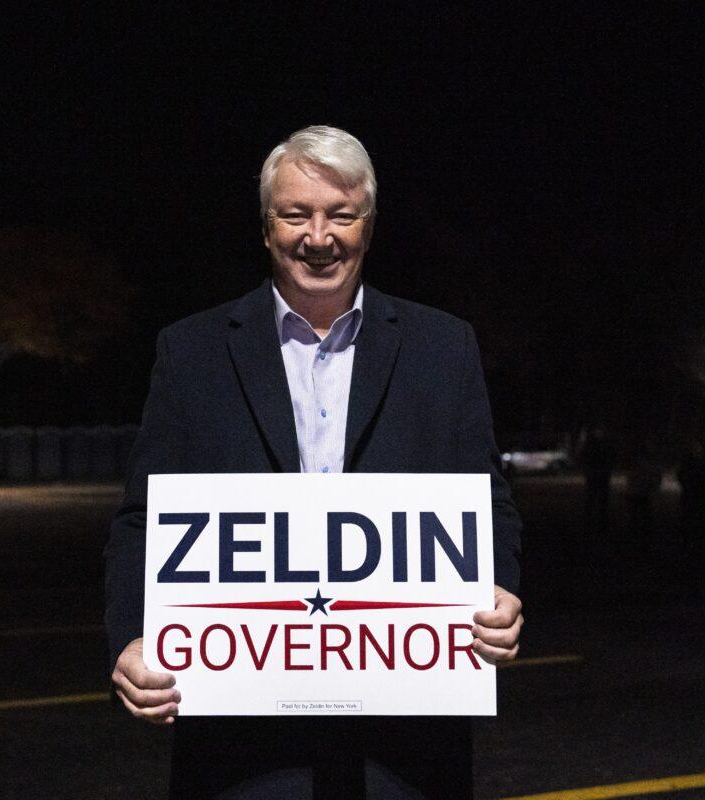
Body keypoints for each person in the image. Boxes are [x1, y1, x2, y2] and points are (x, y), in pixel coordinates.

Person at [104, 125, 524, 799]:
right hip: (240, 751)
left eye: (341, 215)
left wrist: (500, 590)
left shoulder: (444, 348)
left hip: (406, 747)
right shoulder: (191, 353)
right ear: (267, 226)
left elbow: (487, 500)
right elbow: (141, 518)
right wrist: (130, 639)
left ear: (370, 223)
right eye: (296, 214)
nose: (319, 236)